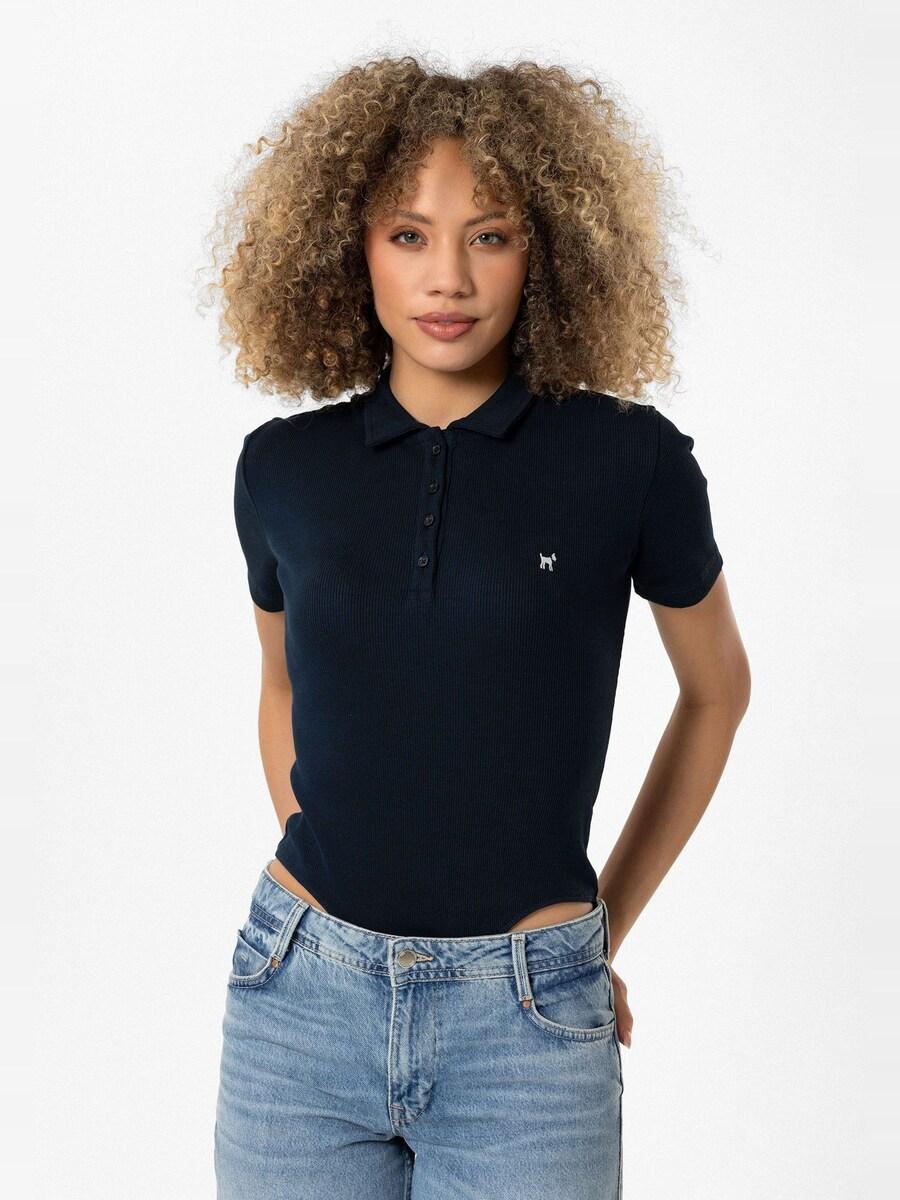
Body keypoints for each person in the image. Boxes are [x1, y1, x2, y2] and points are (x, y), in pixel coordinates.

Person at [202, 55, 751, 1200]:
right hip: (298, 1004)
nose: (446, 277)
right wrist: (328, 862)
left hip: (527, 1023)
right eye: (408, 235)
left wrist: (592, 940)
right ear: (348, 246)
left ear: (545, 249)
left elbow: (717, 692)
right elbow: (283, 684)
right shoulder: (283, 470)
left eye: (488, 236)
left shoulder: (627, 462)